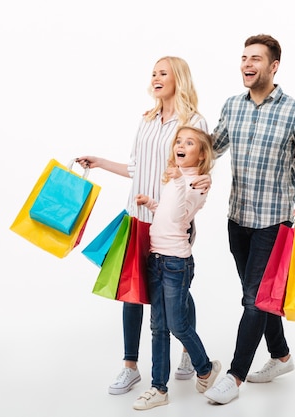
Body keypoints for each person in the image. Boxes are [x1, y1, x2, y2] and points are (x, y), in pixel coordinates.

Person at [203, 34, 295, 405]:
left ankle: (234, 376)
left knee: (254, 300)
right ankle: (282, 356)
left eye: (256, 58)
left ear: (273, 66)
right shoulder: (232, 106)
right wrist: (182, 142)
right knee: (258, 296)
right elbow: (211, 148)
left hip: (274, 221)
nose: (247, 64)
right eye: (244, 57)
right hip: (237, 218)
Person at [77, 56, 211, 396]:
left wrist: (203, 185)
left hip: (170, 221)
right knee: (131, 291)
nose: (155, 78)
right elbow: (137, 168)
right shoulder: (148, 120)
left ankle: (186, 353)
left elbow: (201, 165)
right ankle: (130, 366)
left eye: (162, 73)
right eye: (153, 73)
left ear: (178, 78)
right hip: (138, 218)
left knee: (177, 291)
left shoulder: (193, 121)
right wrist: (101, 162)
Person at [132, 126, 221, 410]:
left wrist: (179, 182)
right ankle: (159, 388)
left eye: (190, 142)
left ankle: (205, 368)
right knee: (158, 327)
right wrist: (152, 204)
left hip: (176, 263)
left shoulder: (198, 184)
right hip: (156, 259)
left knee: (178, 325)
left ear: (202, 154)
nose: (181, 145)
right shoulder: (176, 179)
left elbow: (184, 212)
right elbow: (169, 214)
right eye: (179, 141)